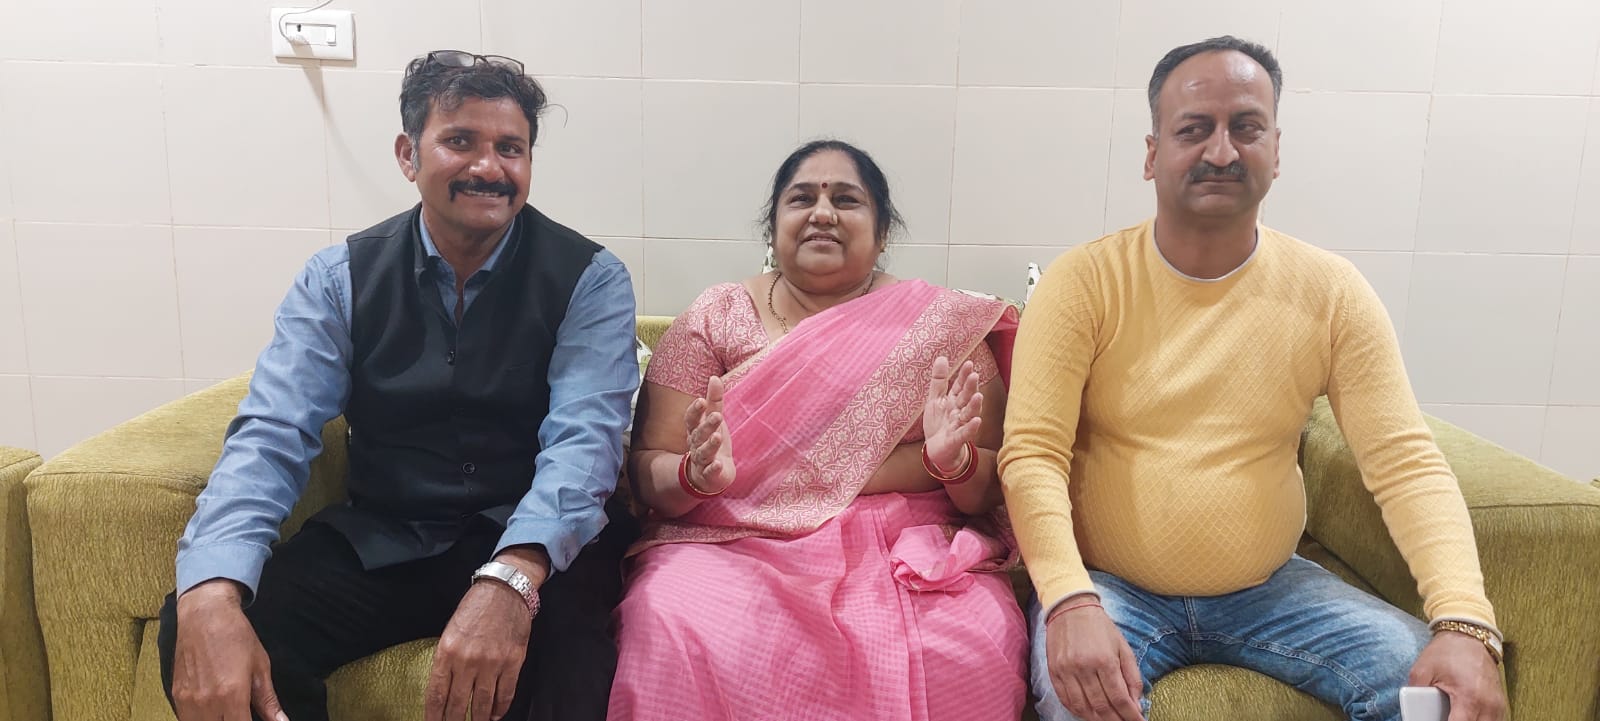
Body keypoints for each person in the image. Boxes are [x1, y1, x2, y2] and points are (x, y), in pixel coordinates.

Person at [999, 36, 1508, 721]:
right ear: (1152, 154)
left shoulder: (1331, 292)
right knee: (1075, 702)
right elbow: (1032, 453)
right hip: (1111, 588)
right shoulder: (1083, 283)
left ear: (1276, 148)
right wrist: (1068, 599)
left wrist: (1465, 621)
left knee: (1438, 700)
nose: (1221, 152)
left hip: (1273, 591)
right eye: (1193, 130)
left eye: (1245, 127)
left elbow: (1404, 462)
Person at [157, 50, 640, 721]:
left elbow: (585, 444)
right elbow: (271, 434)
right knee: (203, 624)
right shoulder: (337, 279)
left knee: (576, 667)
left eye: (510, 148)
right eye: (460, 141)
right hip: (387, 538)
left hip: (534, 543)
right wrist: (210, 586)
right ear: (408, 155)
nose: (489, 167)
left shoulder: (590, 278)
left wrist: (511, 577)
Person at [607, 139, 1028, 720]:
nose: (822, 213)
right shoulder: (716, 317)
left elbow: (990, 489)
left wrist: (952, 463)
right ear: (773, 225)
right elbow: (649, 469)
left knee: (970, 641)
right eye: (802, 198)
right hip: (732, 538)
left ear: (883, 232)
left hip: (900, 542)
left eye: (846, 200)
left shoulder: (942, 327)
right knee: (670, 616)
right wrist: (693, 476)